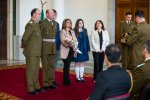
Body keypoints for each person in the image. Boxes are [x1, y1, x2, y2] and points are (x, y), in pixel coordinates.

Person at [21, 8, 44, 95]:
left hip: (37, 51)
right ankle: (30, 89)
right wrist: (24, 46)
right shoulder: (30, 25)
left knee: (36, 70)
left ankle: (36, 86)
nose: (40, 15)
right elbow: (24, 38)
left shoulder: (36, 24)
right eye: (38, 14)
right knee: (31, 70)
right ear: (34, 14)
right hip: (31, 52)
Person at [40, 9, 59, 90]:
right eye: (51, 13)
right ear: (47, 14)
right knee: (45, 66)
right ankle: (45, 84)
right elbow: (39, 36)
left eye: (53, 13)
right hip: (45, 47)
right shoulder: (42, 23)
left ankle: (51, 82)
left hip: (53, 47)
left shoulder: (55, 23)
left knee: (51, 66)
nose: (53, 14)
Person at [60, 19, 77, 86]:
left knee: (68, 65)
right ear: (65, 23)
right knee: (66, 65)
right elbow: (63, 41)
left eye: (70, 22)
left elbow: (75, 39)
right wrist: (71, 44)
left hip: (71, 50)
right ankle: (66, 81)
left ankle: (67, 80)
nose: (69, 23)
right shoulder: (62, 31)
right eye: (68, 22)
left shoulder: (72, 31)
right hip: (66, 50)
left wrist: (74, 45)